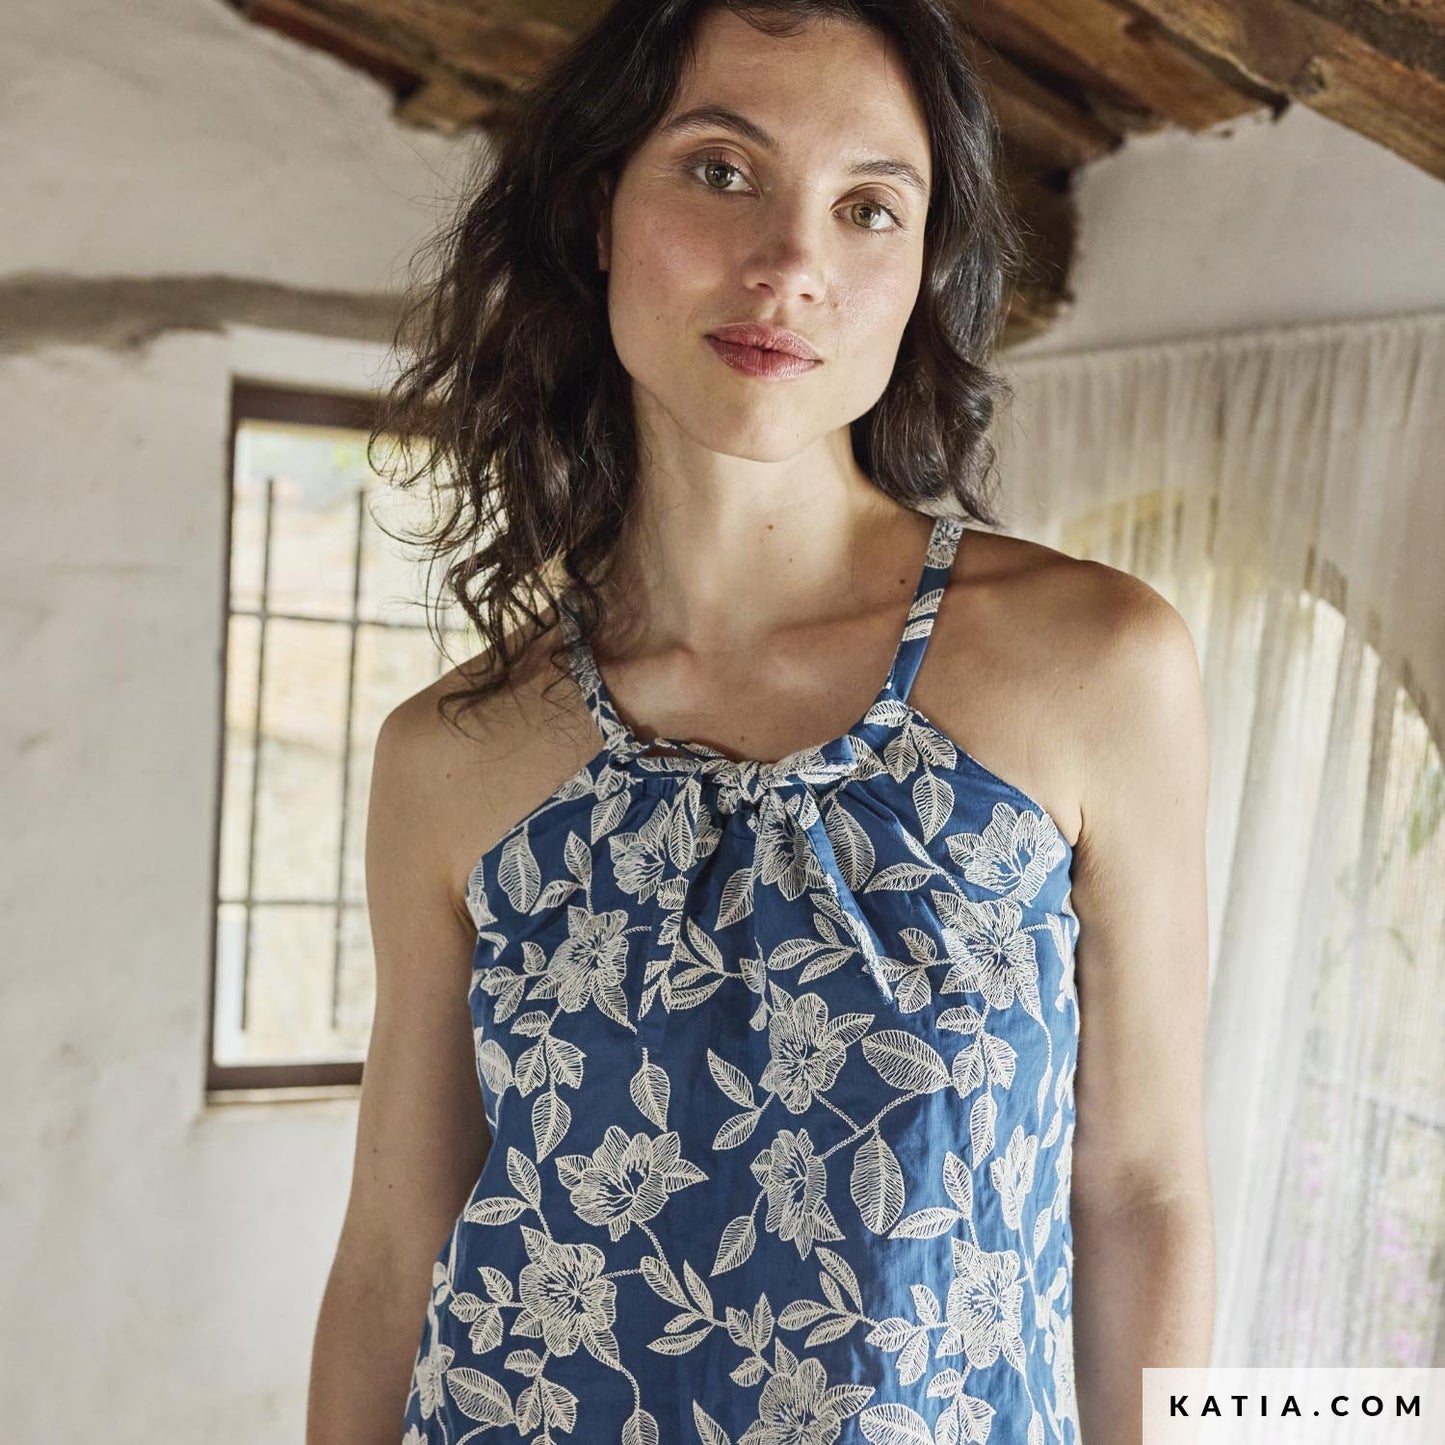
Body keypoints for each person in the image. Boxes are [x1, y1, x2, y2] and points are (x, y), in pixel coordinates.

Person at [307, 2, 1216, 1442]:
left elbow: (1143, 1192)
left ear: (923, 270)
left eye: (868, 208)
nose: (791, 264)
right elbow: (388, 1251)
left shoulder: (1095, 666)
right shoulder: (450, 753)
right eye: (720, 171)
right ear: (595, 210)